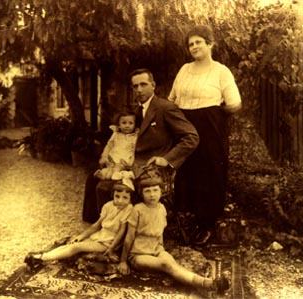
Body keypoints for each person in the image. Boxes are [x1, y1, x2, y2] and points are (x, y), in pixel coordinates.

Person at [83, 68, 199, 223]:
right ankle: (97, 225)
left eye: (143, 84)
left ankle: (111, 232)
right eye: (135, 86)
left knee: (104, 187)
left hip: (150, 167)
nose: (139, 89)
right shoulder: (136, 111)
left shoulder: (165, 108)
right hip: (131, 162)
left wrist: (166, 159)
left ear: (153, 85)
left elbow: (191, 137)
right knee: (92, 178)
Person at [168, 25, 242, 245]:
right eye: (190, 44)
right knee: (185, 171)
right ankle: (185, 221)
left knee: (210, 172)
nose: (194, 47)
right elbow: (172, 100)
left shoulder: (221, 71)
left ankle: (207, 224)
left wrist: (215, 115)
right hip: (184, 127)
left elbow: (235, 104)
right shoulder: (184, 70)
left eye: (198, 42)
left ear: (210, 43)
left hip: (211, 128)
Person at [117, 174, 230, 296]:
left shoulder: (162, 209)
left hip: (157, 250)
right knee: (166, 265)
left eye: (155, 190)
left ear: (161, 191)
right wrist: (123, 261)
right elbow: (129, 237)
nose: (152, 194)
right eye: (147, 191)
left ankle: (208, 285)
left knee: (173, 265)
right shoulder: (138, 210)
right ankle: (207, 284)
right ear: (141, 193)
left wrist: (161, 250)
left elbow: (159, 231)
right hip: (138, 254)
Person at [24, 178, 135, 270]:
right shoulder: (108, 206)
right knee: (72, 243)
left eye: (125, 198)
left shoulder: (129, 209)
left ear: (130, 199)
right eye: (117, 196)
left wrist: (111, 248)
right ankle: (42, 256)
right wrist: (81, 236)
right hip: (99, 236)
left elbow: (121, 232)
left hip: (107, 242)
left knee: (76, 247)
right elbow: (96, 225)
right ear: (113, 195)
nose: (120, 201)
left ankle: (42, 258)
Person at [94, 109, 139, 181]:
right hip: (113, 158)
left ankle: (113, 175)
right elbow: (109, 145)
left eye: (130, 123)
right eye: (124, 123)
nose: (127, 126)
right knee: (108, 169)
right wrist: (104, 156)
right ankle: (103, 174)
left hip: (124, 160)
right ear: (119, 125)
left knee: (117, 167)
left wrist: (131, 162)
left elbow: (133, 150)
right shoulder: (116, 134)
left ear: (135, 125)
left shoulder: (134, 137)